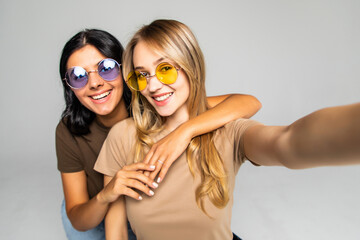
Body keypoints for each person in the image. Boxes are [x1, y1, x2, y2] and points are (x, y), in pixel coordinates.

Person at [94, 19, 360, 240]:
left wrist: (184, 132)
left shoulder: (227, 131)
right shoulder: (123, 136)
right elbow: (115, 230)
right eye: (142, 75)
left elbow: (287, 142)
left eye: (165, 69)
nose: (152, 86)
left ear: (190, 66)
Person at [56, 29, 261, 240]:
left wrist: (184, 132)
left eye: (107, 68)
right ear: (69, 85)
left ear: (126, 71)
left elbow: (248, 102)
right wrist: (105, 196)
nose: (95, 83)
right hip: (96, 213)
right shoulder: (69, 130)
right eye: (78, 76)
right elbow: (79, 220)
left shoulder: (157, 104)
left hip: (146, 212)